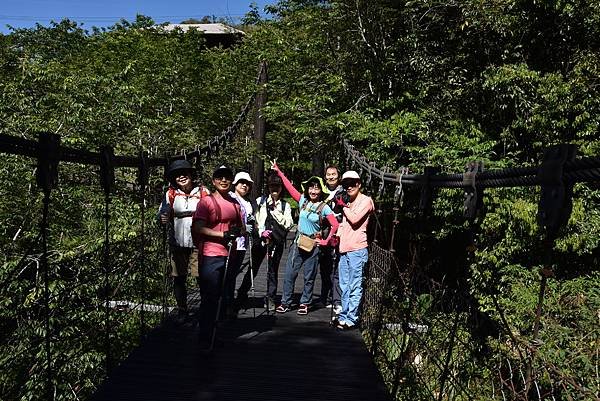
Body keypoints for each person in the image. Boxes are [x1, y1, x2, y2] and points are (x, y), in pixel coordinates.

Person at [271, 161, 339, 315]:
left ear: (321, 190)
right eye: (311, 187)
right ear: (307, 189)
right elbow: (289, 187)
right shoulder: (303, 200)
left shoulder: (324, 207)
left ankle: (305, 303)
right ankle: (285, 302)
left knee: (309, 276)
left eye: (316, 188)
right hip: (298, 242)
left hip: (313, 245)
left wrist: (325, 241)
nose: (313, 191)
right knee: (290, 273)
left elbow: (335, 225)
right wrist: (279, 171)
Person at [191, 165, 244, 348]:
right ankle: (205, 337)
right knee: (210, 297)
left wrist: (238, 231)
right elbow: (198, 227)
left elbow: (241, 227)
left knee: (222, 296)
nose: (224, 180)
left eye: (227, 178)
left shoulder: (235, 203)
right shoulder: (206, 202)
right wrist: (223, 235)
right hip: (211, 254)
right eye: (220, 177)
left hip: (230, 254)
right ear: (213, 181)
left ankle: (214, 333)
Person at [158, 159, 210, 323]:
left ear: (191, 175)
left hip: (198, 242)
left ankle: (205, 308)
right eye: (177, 175)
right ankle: (182, 310)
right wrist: (162, 217)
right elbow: (162, 213)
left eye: (184, 173)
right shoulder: (170, 194)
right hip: (178, 242)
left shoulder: (203, 192)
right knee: (178, 277)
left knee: (200, 277)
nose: (181, 177)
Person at [235, 173, 294, 311]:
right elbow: (253, 219)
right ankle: (242, 294)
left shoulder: (285, 206)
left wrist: (275, 212)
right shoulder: (259, 201)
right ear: (268, 187)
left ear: (281, 188)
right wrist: (260, 232)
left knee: (273, 271)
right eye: (272, 185)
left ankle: (271, 298)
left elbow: (289, 224)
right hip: (260, 241)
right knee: (252, 269)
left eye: (277, 186)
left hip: (276, 243)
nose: (274, 188)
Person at [333, 170, 374, 330]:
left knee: (355, 285)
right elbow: (345, 224)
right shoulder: (348, 201)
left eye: (352, 183)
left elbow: (355, 220)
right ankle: (343, 316)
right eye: (346, 184)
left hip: (357, 249)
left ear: (359, 184)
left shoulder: (366, 201)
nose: (349, 187)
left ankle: (351, 319)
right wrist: (336, 236)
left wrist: (343, 207)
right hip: (344, 249)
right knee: (344, 285)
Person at [227, 171, 258, 313]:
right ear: (235, 184)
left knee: (233, 272)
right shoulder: (230, 198)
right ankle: (226, 301)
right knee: (229, 272)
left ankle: (229, 302)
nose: (244, 186)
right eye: (242, 182)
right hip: (231, 241)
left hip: (243, 242)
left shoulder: (248, 201)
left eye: (247, 184)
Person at [319, 165, 343, 315]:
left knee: (338, 267)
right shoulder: (322, 191)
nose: (331, 177)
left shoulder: (344, 191)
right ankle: (325, 297)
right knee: (325, 266)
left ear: (338, 176)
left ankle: (337, 300)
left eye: (334, 174)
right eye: (328, 174)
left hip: (339, 233)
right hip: (324, 233)